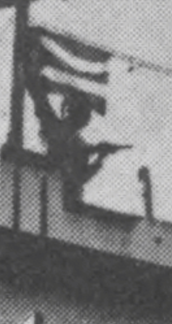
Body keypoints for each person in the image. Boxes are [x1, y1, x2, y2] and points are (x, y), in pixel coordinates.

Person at [25, 38, 131, 204]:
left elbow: (82, 177)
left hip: (70, 199)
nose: (85, 119)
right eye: (83, 113)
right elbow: (39, 98)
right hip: (51, 192)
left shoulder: (81, 145)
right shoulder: (56, 128)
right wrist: (31, 69)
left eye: (85, 115)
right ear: (72, 113)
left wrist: (100, 157)